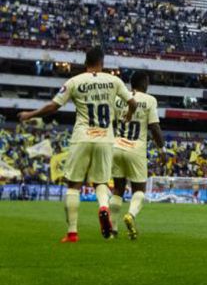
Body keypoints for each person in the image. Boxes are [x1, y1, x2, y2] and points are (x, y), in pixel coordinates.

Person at [18, 47, 137, 242]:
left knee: (74, 185)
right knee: (100, 182)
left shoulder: (74, 82)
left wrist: (29, 114)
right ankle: (103, 208)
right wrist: (129, 115)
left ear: (85, 62)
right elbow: (132, 103)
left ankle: (72, 232)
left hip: (82, 136)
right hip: (105, 138)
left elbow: (53, 106)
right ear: (102, 62)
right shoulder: (114, 81)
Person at [108, 71, 164, 240]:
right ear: (144, 82)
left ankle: (113, 229)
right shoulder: (149, 100)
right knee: (139, 190)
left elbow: (111, 122)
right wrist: (162, 149)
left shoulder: (118, 99)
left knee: (117, 189)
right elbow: (154, 127)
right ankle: (130, 215)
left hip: (116, 146)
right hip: (136, 149)